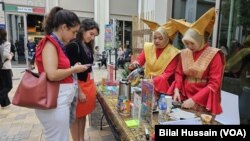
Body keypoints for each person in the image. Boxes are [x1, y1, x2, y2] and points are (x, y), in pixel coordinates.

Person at [34, 7, 86, 141]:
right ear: (64, 27)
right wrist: (73, 70)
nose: (74, 36)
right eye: (73, 32)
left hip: (58, 100)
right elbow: (52, 74)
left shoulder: (56, 44)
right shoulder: (50, 44)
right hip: (55, 101)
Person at [169, 8, 225, 115]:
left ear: (200, 40)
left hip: (203, 99)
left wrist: (195, 99)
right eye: (187, 43)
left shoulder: (214, 55)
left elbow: (214, 84)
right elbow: (179, 73)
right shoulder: (184, 53)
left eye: (192, 43)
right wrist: (176, 89)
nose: (189, 47)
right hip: (184, 95)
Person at [66, 18, 99, 141]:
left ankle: (81, 138)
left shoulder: (87, 45)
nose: (92, 37)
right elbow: (70, 72)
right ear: (82, 30)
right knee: (75, 116)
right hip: (78, 86)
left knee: (83, 115)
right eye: (91, 34)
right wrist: (79, 91)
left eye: (94, 35)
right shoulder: (74, 46)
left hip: (88, 84)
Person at [130, 18, 181, 96]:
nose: (157, 41)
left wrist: (153, 81)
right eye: (155, 38)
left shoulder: (173, 53)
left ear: (167, 39)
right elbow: (140, 60)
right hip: (147, 82)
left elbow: (166, 75)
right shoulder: (148, 47)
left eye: (160, 38)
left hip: (162, 86)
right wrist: (136, 63)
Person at [0, 28, 13, 108]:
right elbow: (5, 54)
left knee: (2, 86)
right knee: (8, 86)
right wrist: (11, 55)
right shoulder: (6, 43)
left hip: (0, 67)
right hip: (5, 67)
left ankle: (5, 103)